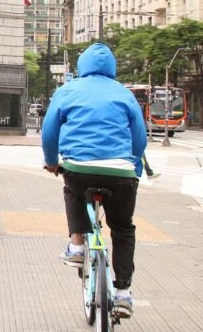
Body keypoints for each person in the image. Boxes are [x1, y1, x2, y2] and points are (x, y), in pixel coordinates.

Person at [41, 43, 147, 319]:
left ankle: (77, 246)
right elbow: (140, 139)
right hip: (120, 172)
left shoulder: (67, 90)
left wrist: (52, 162)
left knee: (72, 188)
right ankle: (123, 294)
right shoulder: (124, 93)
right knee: (123, 229)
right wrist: (133, 167)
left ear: (82, 66)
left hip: (79, 168)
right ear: (112, 68)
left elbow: (49, 133)